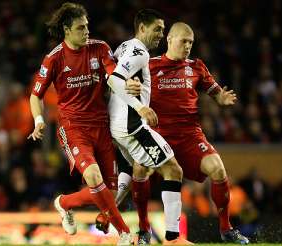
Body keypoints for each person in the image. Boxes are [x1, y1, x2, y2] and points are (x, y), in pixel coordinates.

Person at [98, 22, 250, 244]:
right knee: (140, 170)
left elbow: (215, 91)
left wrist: (222, 98)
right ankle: (144, 229)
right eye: (183, 41)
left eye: (191, 42)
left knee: (217, 169)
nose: (187, 46)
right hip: (158, 132)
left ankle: (226, 228)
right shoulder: (149, 64)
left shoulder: (196, 67)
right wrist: (131, 85)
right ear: (169, 39)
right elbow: (122, 80)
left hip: (190, 136)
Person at [28, 2, 141, 245]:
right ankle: (123, 233)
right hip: (73, 127)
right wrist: (38, 121)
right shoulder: (54, 58)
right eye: (81, 28)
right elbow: (35, 95)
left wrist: (127, 83)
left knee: (108, 194)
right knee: (92, 175)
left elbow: (113, 75)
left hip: (101, 126)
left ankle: (64, 203)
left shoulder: (100, 48)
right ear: (67, 30)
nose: (86, 31)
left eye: (87, 26)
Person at [104, 9, 193, 245]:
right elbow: (113, 79)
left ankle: (111, 214)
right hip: (132, 126)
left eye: (163, 31)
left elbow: (110, 77)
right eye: (157, 30)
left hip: (117, 125)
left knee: (137, 170)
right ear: (142, 28)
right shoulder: (139, 51)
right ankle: (174, 239)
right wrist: (139, 106)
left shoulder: (123, 47)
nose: (161, 36)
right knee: (173, 170)